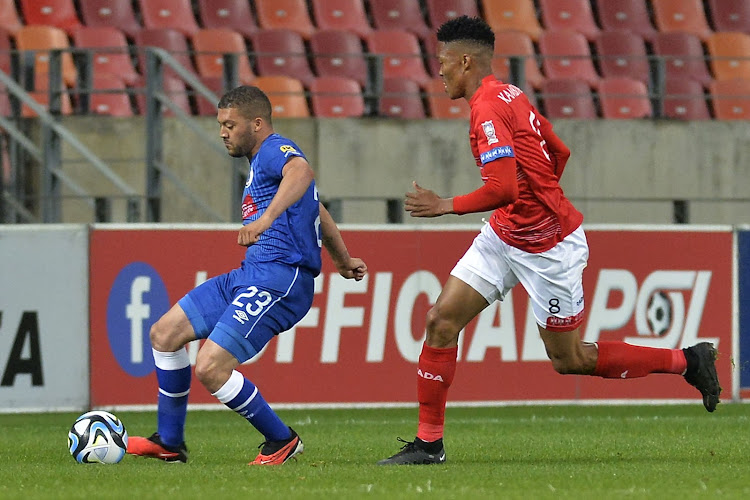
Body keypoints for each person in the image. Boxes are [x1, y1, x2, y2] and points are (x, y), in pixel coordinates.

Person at [377, 16, 720, 466]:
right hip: (506, 234)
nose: (437, 71)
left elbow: (502, 189)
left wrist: (444, 205)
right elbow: (559, 151)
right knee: (441, 320)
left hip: (549, 250)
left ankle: (688, 361)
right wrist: (538, 200)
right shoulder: (512, 94)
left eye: (441, 62)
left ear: (465, 61)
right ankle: (428, 444)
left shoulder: (487, 107)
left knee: (570, 359)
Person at [127, 85, 367, 465]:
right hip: (250, 274)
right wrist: (342, 257)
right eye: (220, 124)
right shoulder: (260, 163)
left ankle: (281, 440)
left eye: (230, 124)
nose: (223, 132)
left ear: (257, 124)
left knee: (209, 366)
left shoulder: (274, 149)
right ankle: (169, 442)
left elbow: (302, 171)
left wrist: (265, 220)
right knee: (164, 334)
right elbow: (315, 208)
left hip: (280, 278)